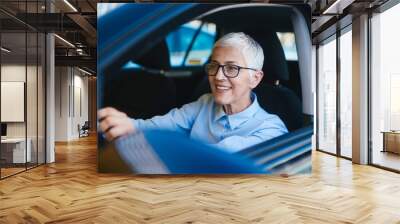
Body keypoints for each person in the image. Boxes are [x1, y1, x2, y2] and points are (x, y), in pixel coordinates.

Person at [98, 32, 288, 153]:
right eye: (214, 66)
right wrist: (128, 125)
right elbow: (163, 124)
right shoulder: (205, 103)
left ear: (255, 78)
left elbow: (214, 156)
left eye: (232, 68)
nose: (218, 77)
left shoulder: (271, 129)